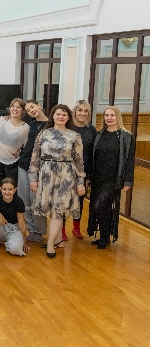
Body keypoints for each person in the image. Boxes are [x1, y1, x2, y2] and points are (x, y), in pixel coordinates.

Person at [29, 105, 86, 258]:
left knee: (58, 209)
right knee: (50, 209)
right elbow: (35, 157)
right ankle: (58, 239)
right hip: (46, 174)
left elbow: (79, 161)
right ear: (53, 116)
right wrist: (33, 178)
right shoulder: (43, 133)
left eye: (64, 115)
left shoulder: (75, 136)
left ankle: (50, 244)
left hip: (66, 175)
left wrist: (81, 182)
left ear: (68, 118)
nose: (61, 117)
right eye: (58, 114)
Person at [87, 106, 135, 249]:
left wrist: (128, 181)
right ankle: (104, 236)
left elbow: (130, 161)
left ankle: (104, 238)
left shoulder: (126, 136)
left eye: (112, 115)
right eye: (106, 115)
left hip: (113, 178)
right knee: (99, 207)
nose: (109, 118)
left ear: (117, 117)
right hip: (98, 177)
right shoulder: (99, 134)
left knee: (103, 206)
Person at [19, 100, 48, 243]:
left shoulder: (50, 124)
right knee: (25, 200)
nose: (31, 110)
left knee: (37, 201)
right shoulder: (30, 124)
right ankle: (30, 229)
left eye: (32, 107)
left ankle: (39, 230)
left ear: (39, 106)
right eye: (28, 110)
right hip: (24, 164)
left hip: (40, 168)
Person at [69, 100, 97, 240]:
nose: (83, 113)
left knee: (79, 199)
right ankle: (61, 230)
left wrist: (89, 176)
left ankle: (76, 228)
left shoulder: (91, 129)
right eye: (80, 110)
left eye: (86, 111)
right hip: (67, 169)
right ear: (75, 111)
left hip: (84, 169)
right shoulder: (68, 127)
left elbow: (93, 153)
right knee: (64, 199)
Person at [0, 98, 29, 195]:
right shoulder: (2, 120)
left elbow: (26, 146)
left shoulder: (25, 128)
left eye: (18, 107)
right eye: (13, 106)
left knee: (10, 189)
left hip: (12, 163)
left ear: (23, 110)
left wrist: (20, 151)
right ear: (9, 108)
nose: (15, 109)